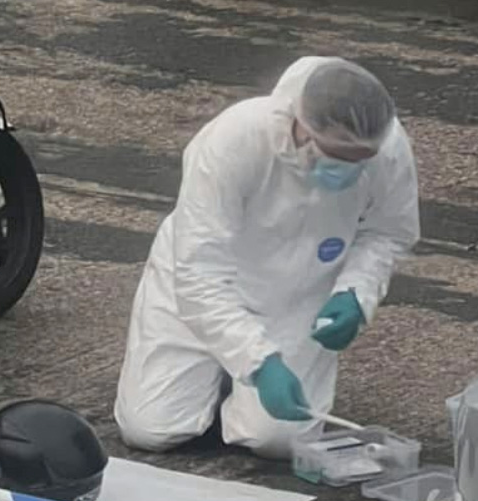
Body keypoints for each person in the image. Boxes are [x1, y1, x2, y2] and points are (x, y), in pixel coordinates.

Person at [114, 56, 421, 459]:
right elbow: (199, 272)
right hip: (203, 288)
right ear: (302, 126)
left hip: (298, 296)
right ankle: (220, 375)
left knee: (277, 441)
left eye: (357, 161)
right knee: (150, 429)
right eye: (336, 155)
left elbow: (389, 230)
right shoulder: (235, 139)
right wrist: (259, 362)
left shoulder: (386, 145)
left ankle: (236, 385)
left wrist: (356, 293)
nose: (347, 168)